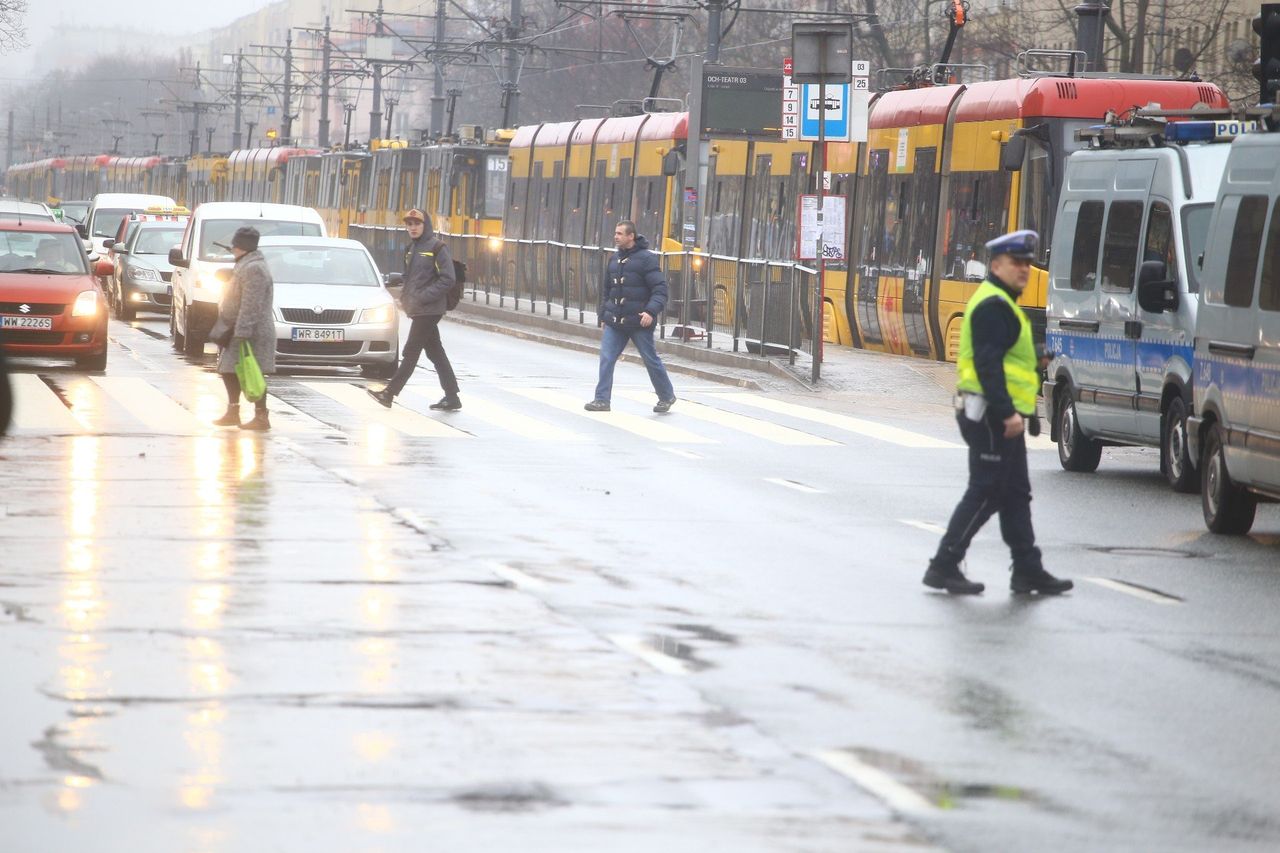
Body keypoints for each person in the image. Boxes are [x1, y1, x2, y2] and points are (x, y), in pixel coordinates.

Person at [923, 229, 1072, 596]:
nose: (1024, 269)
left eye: (1027, 263)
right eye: (1016, 263)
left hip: (999, 414)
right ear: (995, 265)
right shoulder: (992, 305)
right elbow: (988, 366)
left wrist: (1028, 392)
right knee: (987, 491)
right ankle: (943, 564)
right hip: (989, 415)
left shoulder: (1002, 301)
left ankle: (1027, 569)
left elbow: (1007, 364)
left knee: (1016, 494)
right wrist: (1007, 413)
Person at [367, 209, 460, 411]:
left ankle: (389, 393)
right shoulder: (411, 249)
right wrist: (399, 282)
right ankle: (452, 396)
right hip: (419, 309)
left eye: (417, 224)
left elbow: (448, 279)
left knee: (410, 352)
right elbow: (412, 276)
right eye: (409, 224)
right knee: (435, 352)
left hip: (429, 309)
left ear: (425, 225)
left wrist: (422, 297)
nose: (413, 227)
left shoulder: (437, 247)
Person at [584, 220, 676, 413]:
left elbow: (660, 289)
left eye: (619, 233)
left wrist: (651, 312)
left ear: (630, 236)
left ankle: (666, 396)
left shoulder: (646, 259)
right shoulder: (614, 259)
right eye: (615, 233)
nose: (616, 236)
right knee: (606, 358)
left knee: (650, 359)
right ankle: (601, 400)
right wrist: (603, 314)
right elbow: (607, 290)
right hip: (615, 321)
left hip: (639, 321)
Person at [211, 227, 275, 431]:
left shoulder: (253, 269)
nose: (233, 249)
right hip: (238, 329)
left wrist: (242, 332)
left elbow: (251, 304)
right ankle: (233, 411)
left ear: (242, 247)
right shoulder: (246, 265)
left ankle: (261, 416)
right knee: (229, 370)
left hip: (250, 332)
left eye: (235, 245)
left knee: (251, 373)